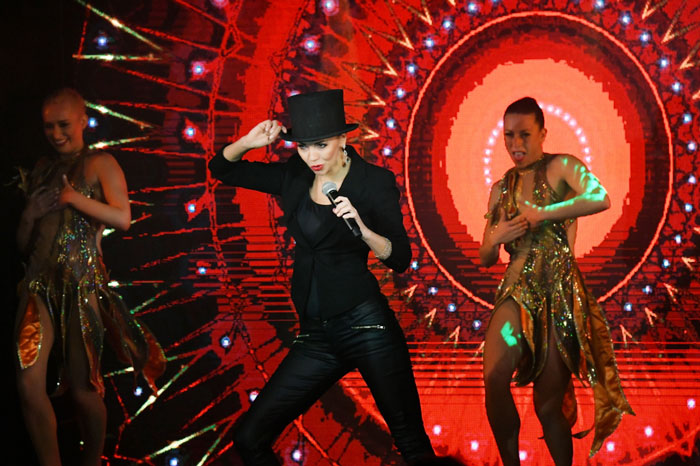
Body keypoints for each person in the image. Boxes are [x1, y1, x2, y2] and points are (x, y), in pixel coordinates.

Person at [209, 89, 434, 465]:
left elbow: (400, 258)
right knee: (249, 439)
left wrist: (363, 230)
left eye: (321, 145)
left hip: (367, 327)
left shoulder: (373, 182)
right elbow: (223, 169)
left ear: (343, 139)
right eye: (303, 146)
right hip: (316, 335)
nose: (312, 156)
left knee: (412, 445)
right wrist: (248, 141)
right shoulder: (295, 176)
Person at [479, 97, 634, 465]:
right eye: (509, 135)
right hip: (516, 289)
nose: (515, 144)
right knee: (494, 377)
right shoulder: (501, 188)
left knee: (548, 406)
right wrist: (495, 237)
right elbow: (486, 257)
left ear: (543, 133)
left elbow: (600, 198)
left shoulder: (562, 166)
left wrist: (545, 213)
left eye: (524, 134)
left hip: (559, 293)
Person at [14, 88, 166, 466]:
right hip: (38, 285)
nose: (56, 134)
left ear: (84, 121)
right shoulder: (43, 168)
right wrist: (29, 214)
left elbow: (123, 218)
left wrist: (74, 199)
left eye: (63, 124)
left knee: (83, 391)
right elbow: (22, 246)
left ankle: (92, 461)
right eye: (48, 126)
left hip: (81, 286)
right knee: (27, 382)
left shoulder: (100, 163)